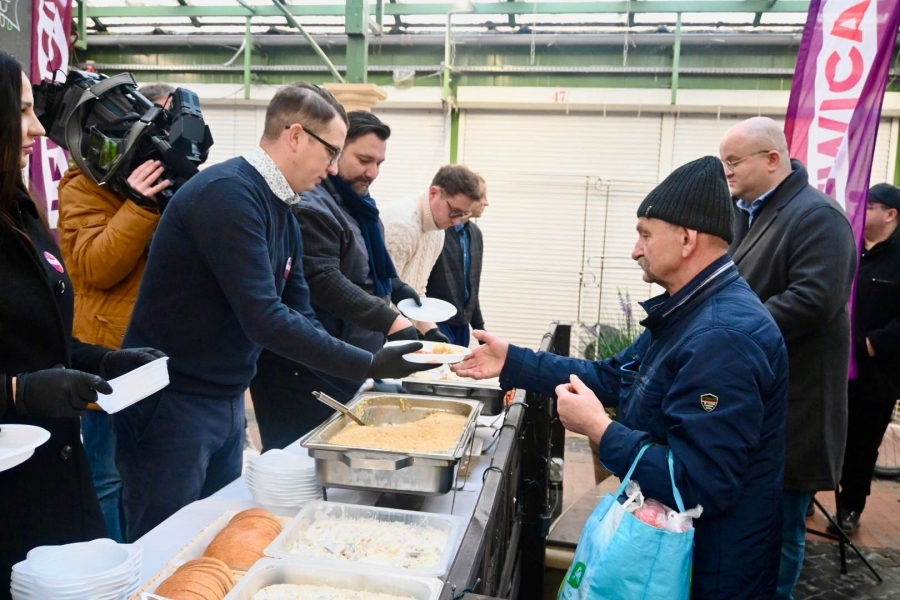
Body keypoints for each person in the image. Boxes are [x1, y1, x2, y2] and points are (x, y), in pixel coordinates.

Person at [454, 156, 789, 599]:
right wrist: (513, 360)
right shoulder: (688, 309)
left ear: (687, 239)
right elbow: (613, 376)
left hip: (708, 572)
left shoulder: (722, 337)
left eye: (645, 234)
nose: (635, 250)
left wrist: (600, 429)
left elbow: (697, 483)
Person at [113, 82, 430, 542]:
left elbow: (299, 311)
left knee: (215, 539)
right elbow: (264, 317)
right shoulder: (229, 195)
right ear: (295, 136)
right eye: (331, 151)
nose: (334, 167)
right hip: (173, 402)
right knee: (163, 545)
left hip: (224, 398)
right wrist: (369, 363)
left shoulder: (283, 208)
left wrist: (357, 380)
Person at [0, 51, 163, 598]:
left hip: (55, 476)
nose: (36, 129)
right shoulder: (75, 191)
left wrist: (101, 359)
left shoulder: (19, 206)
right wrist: (19, 391)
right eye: (20, 112)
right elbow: (96, 266)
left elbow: (36, 335)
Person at [720, 116, 857, 599]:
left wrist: (726, 328)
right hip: (753, 405)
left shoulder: (818, 216)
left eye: (733, 161)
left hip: (795, 409)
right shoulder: (745, 213)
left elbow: (812, 300)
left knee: (779, 530)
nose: (726, 171)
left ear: (773, 159)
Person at [250, 110, 420, 450]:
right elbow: (323, 279)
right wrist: (390, 320)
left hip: (345, 362)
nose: (372, 173)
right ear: (335, 151)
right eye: (364, 160)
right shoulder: (313, 205)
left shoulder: (359, 207)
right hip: (306, 369)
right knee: (299, 464)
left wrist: (401, 293)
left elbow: (371, 270)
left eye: (379, 163)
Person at [56, 84, 174, 543]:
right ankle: (111, 563)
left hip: (155, 353)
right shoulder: (84, 184)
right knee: (108, 479)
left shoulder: (169, 180)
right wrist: (140, 206)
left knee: (154, 472)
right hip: (106, 353)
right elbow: (94, 267)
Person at [830, 183, 900, 534]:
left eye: (870, 206)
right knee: (824, 436)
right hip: (832, 367)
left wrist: (874, 344)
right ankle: (809, 497)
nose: (861, 210)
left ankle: (851, 506)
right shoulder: (847, 247)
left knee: (862, 445)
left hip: (876, 375)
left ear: (891, 214)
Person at [382, 164, 483, 342]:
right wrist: (403, 333)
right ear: (434, 193)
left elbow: (416, 291)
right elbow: (383, 294)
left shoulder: (438, 230)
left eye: (463, 214)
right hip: (376, 332)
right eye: (454, 211)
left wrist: (431, 331)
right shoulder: (402, 225)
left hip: (396, 328)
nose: (456, 221)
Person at [426, 175, 489, 347]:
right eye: (482, 196)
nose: (486, 202)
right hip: (436, 323)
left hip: (462, 326)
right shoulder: (438, 231)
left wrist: (480, 329)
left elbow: (471, 287)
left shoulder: (475, 234)